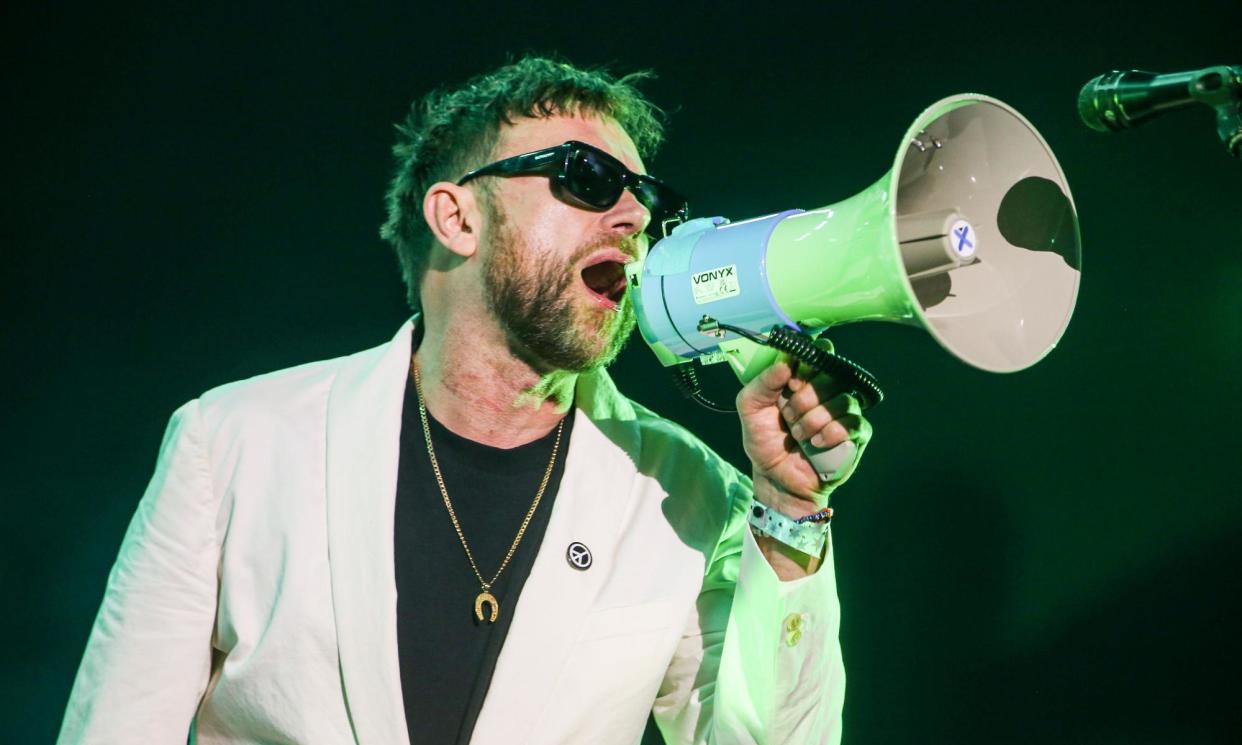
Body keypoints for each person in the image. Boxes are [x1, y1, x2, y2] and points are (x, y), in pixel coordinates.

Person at [58, 56, 871, 745]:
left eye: (645, 197)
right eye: (587, 179)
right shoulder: (233, 441)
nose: (633, 218)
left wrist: (790, 510)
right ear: (456, 216)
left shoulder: (690, 491)